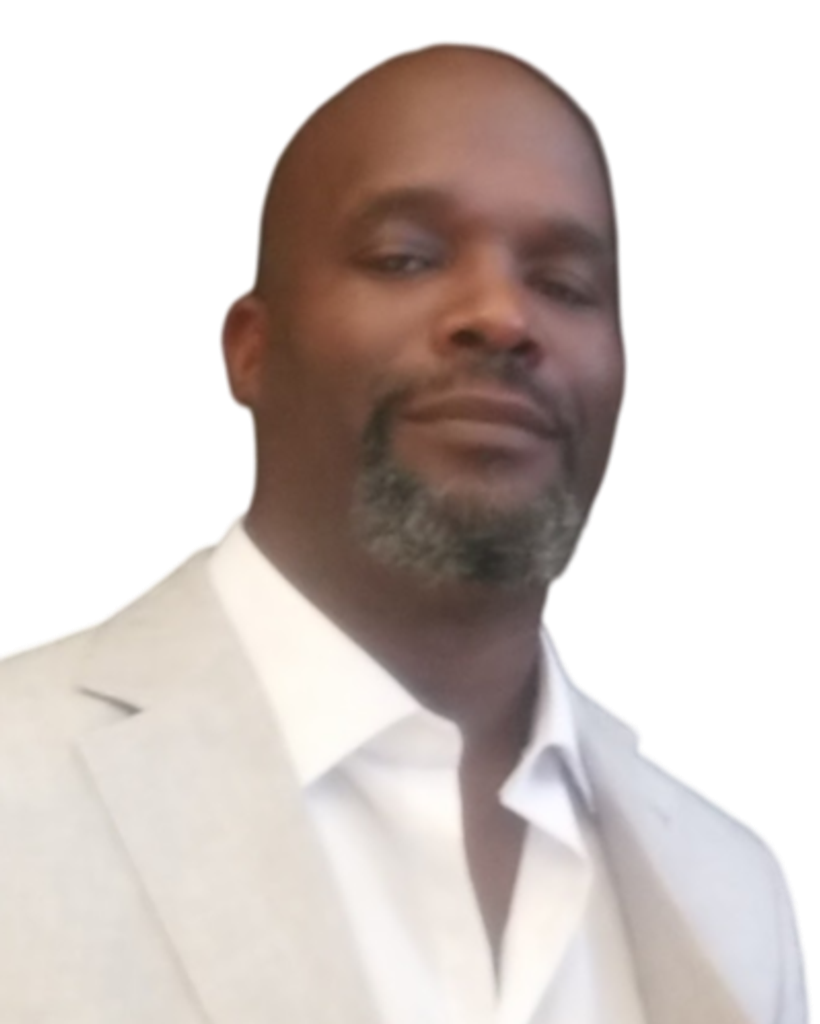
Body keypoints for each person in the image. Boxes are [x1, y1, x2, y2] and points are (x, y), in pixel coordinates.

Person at [0, 41, 810, 1024]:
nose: (501, 315)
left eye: (564, 282)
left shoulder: (736, 891)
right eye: (406, 257)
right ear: (250, 350)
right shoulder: (15, 773)